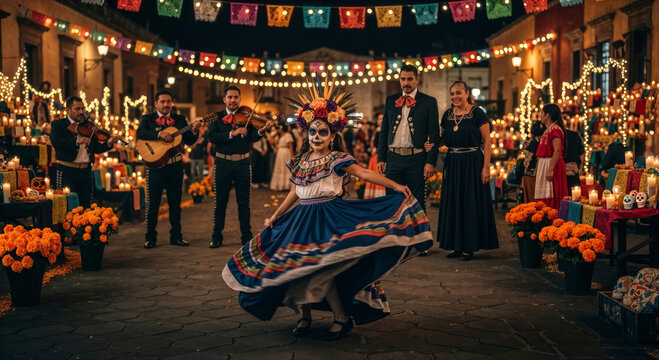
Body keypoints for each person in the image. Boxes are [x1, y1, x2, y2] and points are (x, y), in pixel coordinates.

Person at [222, 84, 432, 341]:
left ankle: (341, 318)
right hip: (300, 220)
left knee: (322, 268)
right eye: (313, 132)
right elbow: (295, 190)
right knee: (297, 269)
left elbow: (365, 172)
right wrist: (277, 213)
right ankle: (304, 315)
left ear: (332, 135)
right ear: (307, 134)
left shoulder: (337, 159)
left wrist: (396, 185)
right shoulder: (301, 161)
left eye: (323, 132)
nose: (317, 136)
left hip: (328, 219)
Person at [428, 81, 498, 261]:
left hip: (473, 162)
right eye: (452, 94)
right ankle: (456, 245)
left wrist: (486, 168)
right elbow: (443, 139)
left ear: (467, 93)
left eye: (458, 93)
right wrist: (433, 143)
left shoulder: (477, 113)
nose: (455, 97)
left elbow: (487, 142)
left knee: (469, 203)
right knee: (454, 202)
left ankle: (469, 246)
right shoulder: (448, 115)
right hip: (453, 162)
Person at [207, 86, 273, 248]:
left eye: (236, 97)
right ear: (224, 99)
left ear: (239, 99)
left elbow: (252, 137)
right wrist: (233, 133)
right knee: (220, 202)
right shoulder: (216, 117)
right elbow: (212, 137)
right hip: (222, 163)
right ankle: (216, 236)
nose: (233, 100)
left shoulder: (246, 116)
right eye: (230, 97)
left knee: (244, 202)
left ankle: (246, 236)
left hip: (243, 163)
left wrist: (261, 130)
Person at [137, 90, 201, 249]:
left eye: (168, 102)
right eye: (163, 102)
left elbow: (189, 140)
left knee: (175, 203)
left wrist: (194, 129)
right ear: (156, 104)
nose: (166, 105)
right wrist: (159, 134)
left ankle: (176, 236)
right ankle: (150, 238)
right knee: (153, 204)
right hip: (155, 167)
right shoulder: (148, 119)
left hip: (175, 166)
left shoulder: (179, 120)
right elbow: (141, 133)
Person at [377, 64, 440, 214]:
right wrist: (381, 158)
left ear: (417, 79)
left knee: (417, 202)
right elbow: (384, 131)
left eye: (410, 79)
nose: (406, 83)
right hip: (393, 158)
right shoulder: (390, 100)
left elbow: (434, 134)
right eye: (403, 79)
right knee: (392, 200)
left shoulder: (429, 101)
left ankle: (419, 235)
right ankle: (395, 235)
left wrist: (430, 162)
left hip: (417, 159)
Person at [51, 96, 119, 208]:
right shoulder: (58, 124)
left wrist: (109, 143)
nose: (81, 112)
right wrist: (77, 141)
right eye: (77, 109)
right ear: (68, 110)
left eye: (82, 109)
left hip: (86, 171)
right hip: (67, 171)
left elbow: (96, 148)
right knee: (66, 205)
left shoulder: (88, 126)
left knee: (85, 205)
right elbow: (56, 142)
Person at [535, 103, 568, 209]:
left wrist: (550, 169)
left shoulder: (555, 129)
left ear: (547, 115)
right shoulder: (548, 129)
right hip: (546, 164)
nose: (540, 116)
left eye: (542, 113)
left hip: (552, 164)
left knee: (552, 193)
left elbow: (557, 150)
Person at [521, 121, 546, 203]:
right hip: (543, 172)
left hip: (531, 174)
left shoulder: (534, 142)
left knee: (530, 197)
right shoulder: (545, 140)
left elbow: (528, 159)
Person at [562, 111, 585, 192]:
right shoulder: (575, 135)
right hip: (573, 169)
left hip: (560, 169)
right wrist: (580, 168)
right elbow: (582, 155)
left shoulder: (557, 135)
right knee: (575, 195)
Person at [269, 124, 295, 191]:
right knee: (279, 167)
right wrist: (275, 134)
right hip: (280, 153)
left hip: (286, 152)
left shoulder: (287, 135)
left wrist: (292, 156)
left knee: (285, 168)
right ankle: (279, 185)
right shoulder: (278, 136)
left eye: (279, 128)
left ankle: (287, 185)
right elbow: (271, 141)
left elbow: (290, 146)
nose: (279, 130)